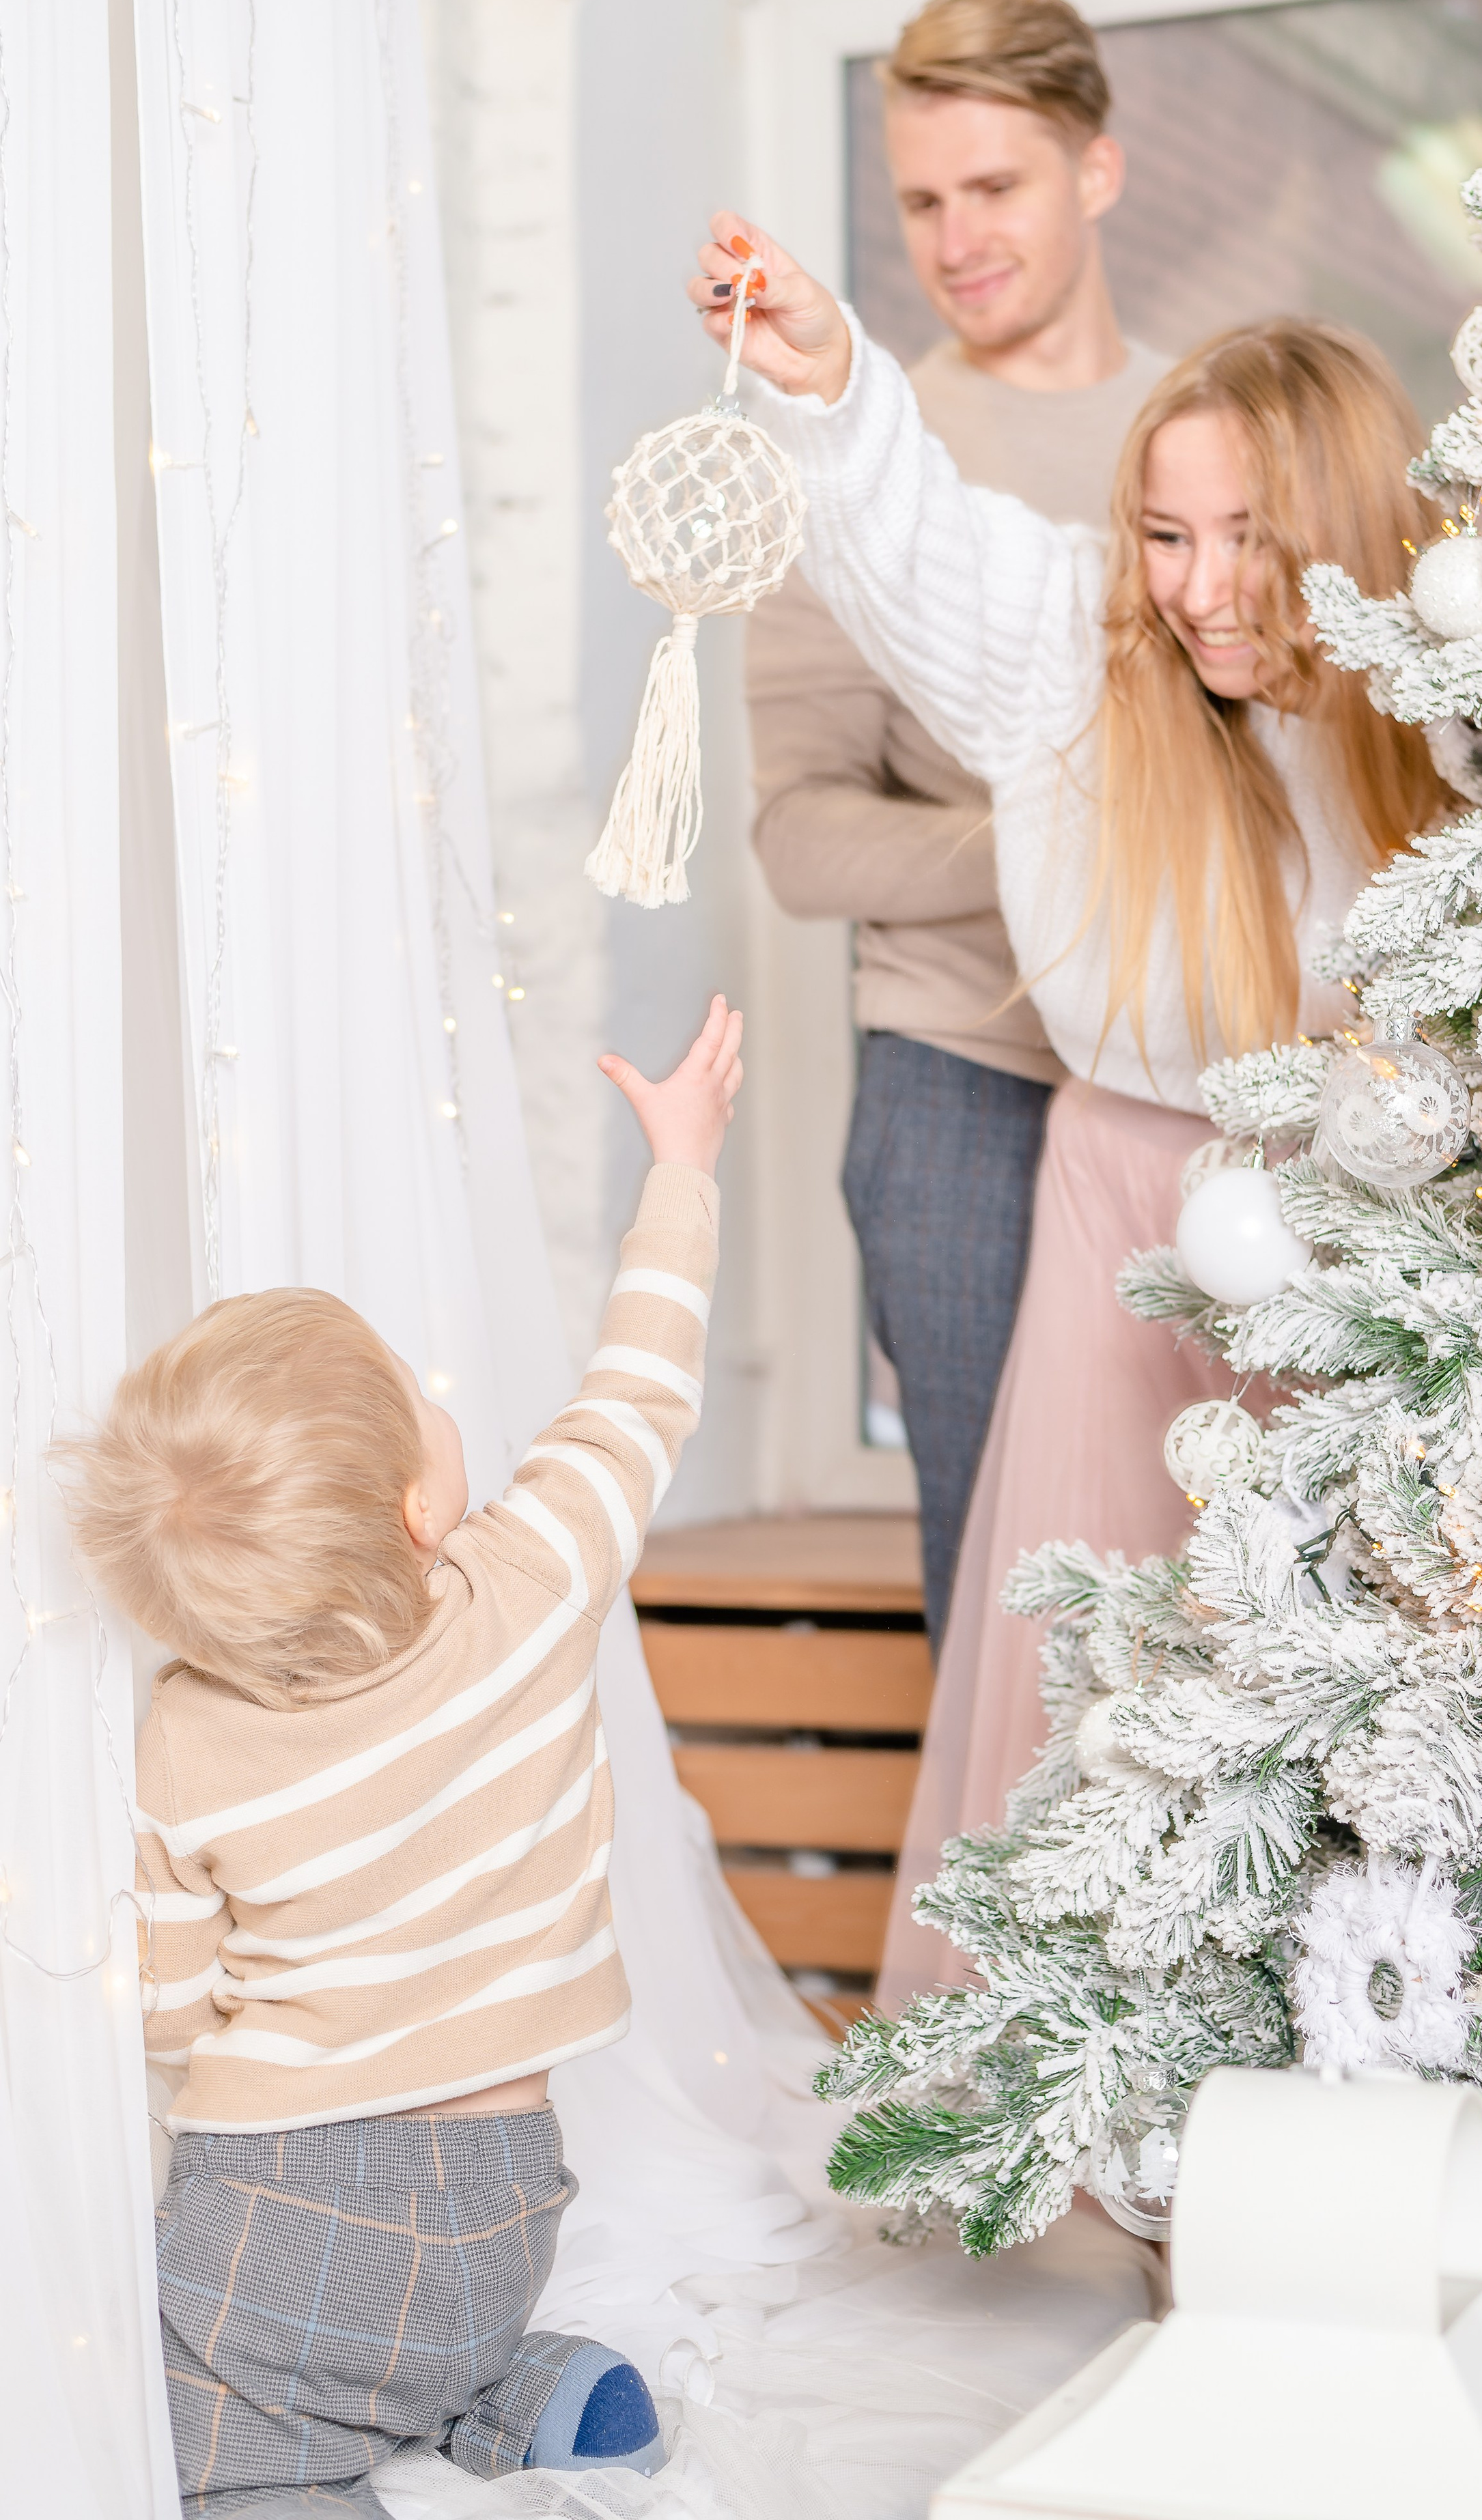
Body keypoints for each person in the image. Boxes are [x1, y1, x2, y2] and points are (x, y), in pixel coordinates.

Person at [690, 222, 1448, 2007]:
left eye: (1246, 537)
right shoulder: (1076, 663)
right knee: (1089, 1664)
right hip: (1122, 1210)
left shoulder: (1441, 701)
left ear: (1340, 531)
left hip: (1364, 1234)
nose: (1195, 587)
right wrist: (833, 379)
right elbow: (918, 546)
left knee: (1348, 1661)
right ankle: (1079, 2103)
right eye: (1165, 535)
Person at [62, 1000, 743, 2517]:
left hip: (281, 2217)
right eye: (415, 1399)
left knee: (188, 2405)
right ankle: (509, 2383)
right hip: (511, 2195)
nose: (444, 1404)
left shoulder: (184, 1734)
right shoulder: (533, 1576)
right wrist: (680, 1166)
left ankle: (295, 2473)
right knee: (416, 2339)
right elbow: (642, 1384)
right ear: (420, 1510)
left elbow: (171, 2009)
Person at [746, 0, 1166, 1651]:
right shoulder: (847, 462)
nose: (953, 239)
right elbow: (798, 836)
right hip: (957, 1088)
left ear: (1099, 173)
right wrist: (1064, 841)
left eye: (994, 188)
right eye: (920, 201)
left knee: (1217, 1559)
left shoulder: (1200, 436)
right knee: (995, 1579)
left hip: (1189, 1070)